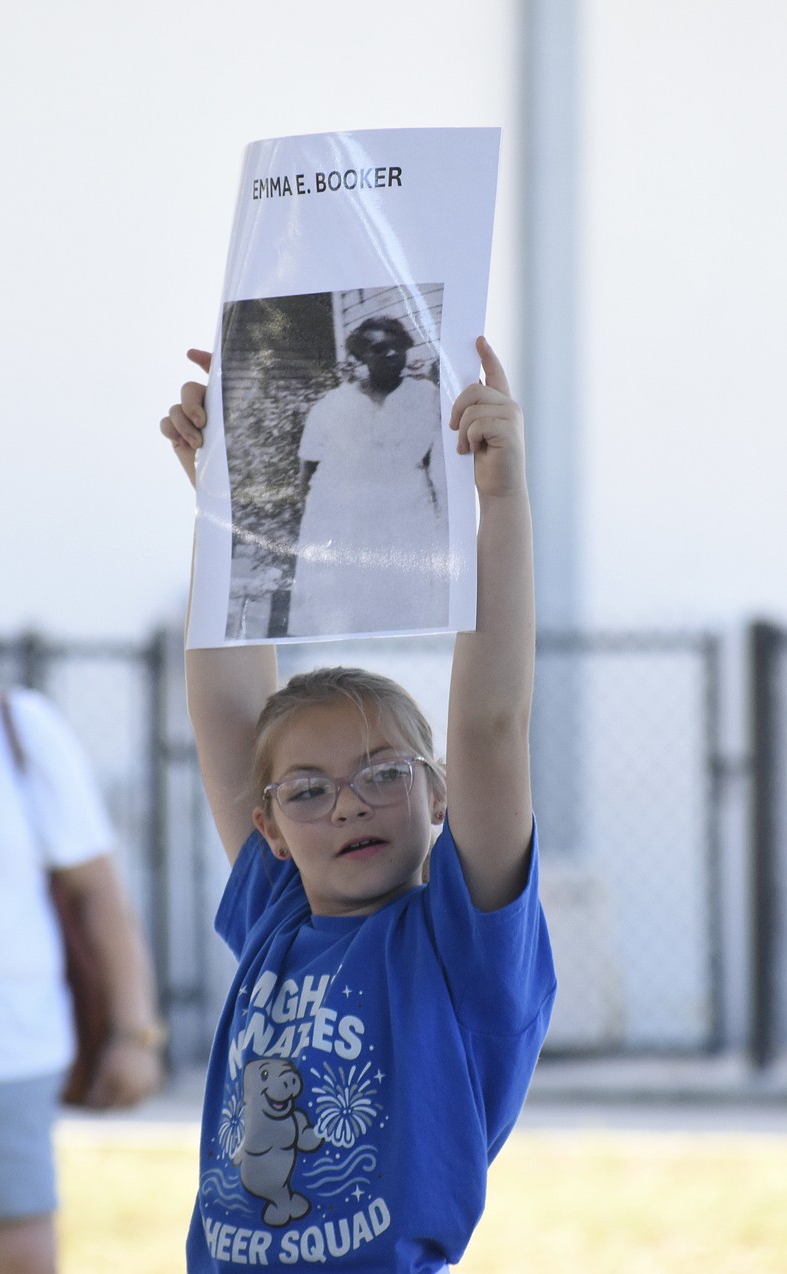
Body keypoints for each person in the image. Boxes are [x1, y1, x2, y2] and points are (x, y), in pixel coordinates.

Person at [160, 336, 556, 1272]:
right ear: (271, 829)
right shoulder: (277, 914)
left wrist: (501, 501)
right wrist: (229, 500)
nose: (347, 806)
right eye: (307, 789)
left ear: (438, 794)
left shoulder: (463, 944)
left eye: (384, 772)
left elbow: (494, 721)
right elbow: (225, 708)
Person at [0, 619, 165, 1274]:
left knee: (20, 1258)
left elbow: (99, 893)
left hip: (0, 1054)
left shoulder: (16, 728)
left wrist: (133, 1035)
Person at [285, 315, 449, 638]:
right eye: (378, 349)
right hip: (341, 513)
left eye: (396, 347)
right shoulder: (332, 405)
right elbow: (308, 467)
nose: (390, 355)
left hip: (404, 511)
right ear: (362, 357)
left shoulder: (427, 397)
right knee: (343, 600)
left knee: (402, 601)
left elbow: (438, 461)